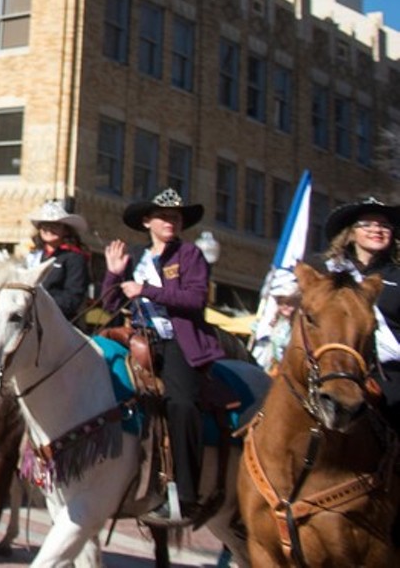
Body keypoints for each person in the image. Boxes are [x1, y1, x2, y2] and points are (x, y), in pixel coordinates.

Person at [101, 188, 224, 526]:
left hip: (178, 343)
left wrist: (147, 290)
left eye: (177, 217)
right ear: (147, 221)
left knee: (182, 405)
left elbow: (195, 299)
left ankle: (186, 497)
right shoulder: (135, 256)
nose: (172, 221)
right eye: (164, 216)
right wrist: (114, 273)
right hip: (137, 340)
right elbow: (111, 305)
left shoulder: (190, 255)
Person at [321, 197, 400, 432]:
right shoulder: (329, 274)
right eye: (367, 224)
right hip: (336, 365)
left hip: (389, 372)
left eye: (384, 225)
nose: (376, 229)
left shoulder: (398, 277)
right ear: (351, 233)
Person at [24, 199, 93, 321]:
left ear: (65, 230)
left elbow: (73, 298)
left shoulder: (74, 258)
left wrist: (40, 303)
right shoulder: (34, 256)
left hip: (60, 321)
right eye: (45, 225)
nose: (49, 229)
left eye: (55, 225)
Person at [248, 269, 302, 373]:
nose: (285, 306)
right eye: (281, 302)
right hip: (263, 366)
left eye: (290, 302)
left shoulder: (296, 326)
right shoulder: (273, 322)